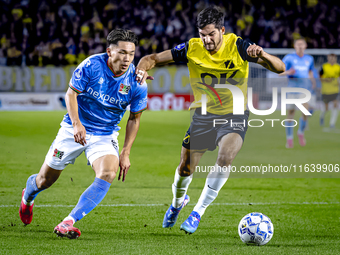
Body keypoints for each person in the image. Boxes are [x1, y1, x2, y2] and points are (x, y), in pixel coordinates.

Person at [135, 6, 285, 234]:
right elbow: (152, 58)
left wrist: (262, 54)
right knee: (185, 168)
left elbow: (280, 68)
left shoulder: (239, 46)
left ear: (222, 31)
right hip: (203, 115)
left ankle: (198, 211)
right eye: (202, 34)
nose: (206, 39)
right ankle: (177, 204)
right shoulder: (191, 48)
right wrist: (140, 70)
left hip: (235, 114)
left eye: (211, 34)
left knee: (225, 157)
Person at [19, 28, 148, 239]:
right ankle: (28, 196)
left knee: (108, 172)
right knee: (45, 180)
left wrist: (125, 151)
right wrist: (77, 124)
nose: (127, 59)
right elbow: (71, 94)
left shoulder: (137, 81)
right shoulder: (91, 65)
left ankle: (68, 221)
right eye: (122, 53)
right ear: (109, 51)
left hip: (105, 134)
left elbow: (135, 118)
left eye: (131, 54)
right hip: (73, 129)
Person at [280, 38, 316, 148]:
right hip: (291, 89)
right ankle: (289, 138)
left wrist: (313, 81)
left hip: (304, 89)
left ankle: (300, 132)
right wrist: (288, 72)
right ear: (294, 46)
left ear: (305, 46)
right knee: (291, 113)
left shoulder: (309, 59)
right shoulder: (289, 58)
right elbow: (279, 71)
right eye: (298, 44)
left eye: (302, 44)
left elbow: (310, 71)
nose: (300, 46)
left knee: (306, 111)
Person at [319, 53, 340, 128]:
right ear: (328, 58)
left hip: (335, 90)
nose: (332, 60)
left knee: (335, 105)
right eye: (330, 58)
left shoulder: (338, 67)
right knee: (326, 108)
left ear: (336, 59)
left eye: (333, 58)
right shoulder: (324, 67)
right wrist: (326, 80)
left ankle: (332, 124)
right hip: (325, 90)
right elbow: (320, 77)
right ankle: (321, 117)